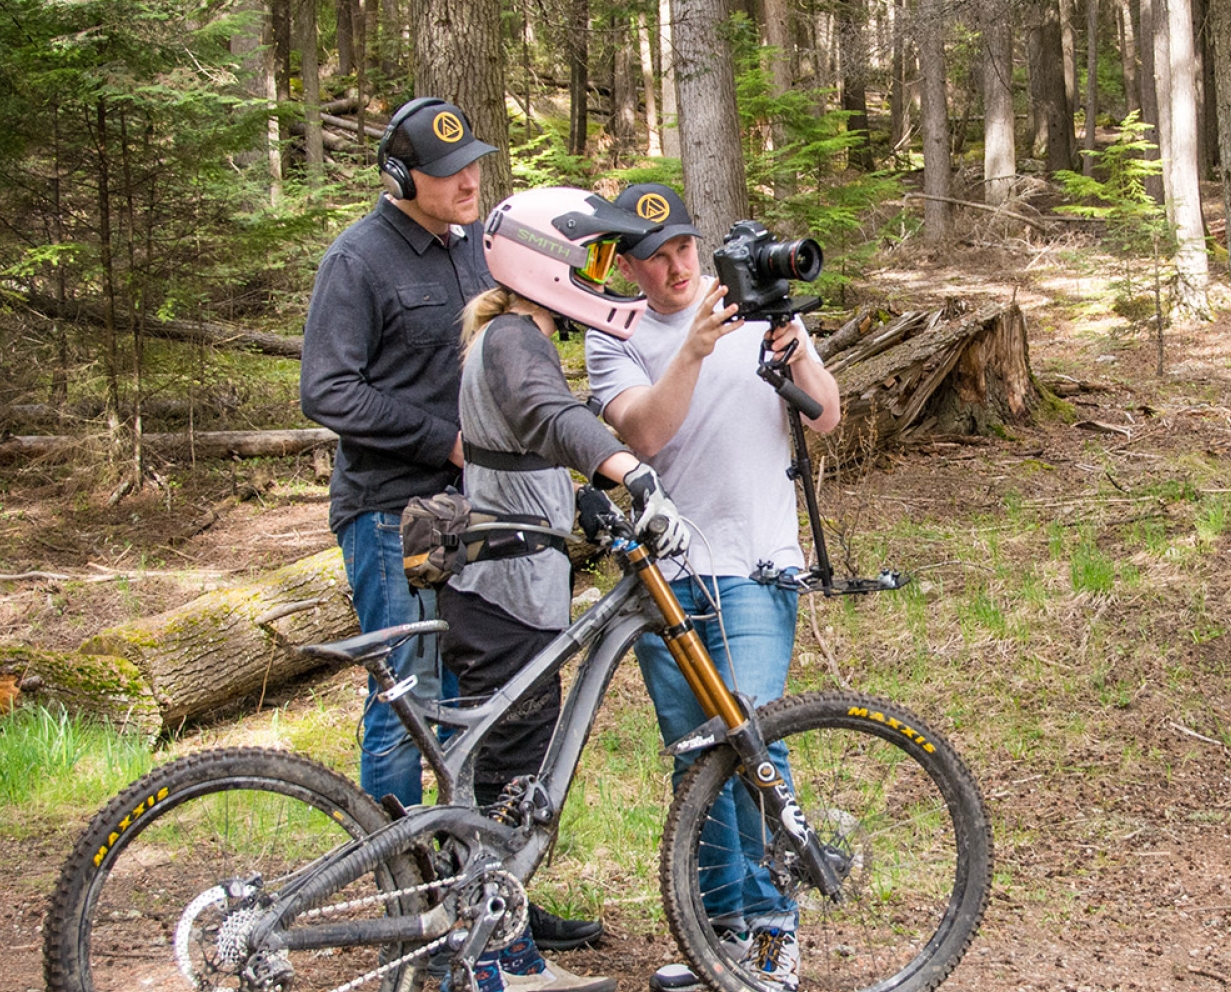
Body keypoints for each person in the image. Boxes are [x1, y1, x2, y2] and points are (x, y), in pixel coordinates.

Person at [299, 99, 600, 956]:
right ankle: (413, 910)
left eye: (475, 162)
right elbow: (327, 390)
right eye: (450, 169)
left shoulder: (482, 248)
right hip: (396, 511)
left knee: (489, 709)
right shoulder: (357, 259)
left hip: (486, 510)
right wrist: (446, 438)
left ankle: (490, 894)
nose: (471, 179)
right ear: (403, 179)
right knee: (407, 701)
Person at [583, 184, 842, 992]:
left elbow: (827, 415)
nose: (677, 266)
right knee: (695, 760)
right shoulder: (613, 336)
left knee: (753, 743)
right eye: (657, 256)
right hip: (666, 576)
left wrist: (793, 346)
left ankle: (773, 933)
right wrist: (692, 347)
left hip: (757, 561)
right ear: (627, 265)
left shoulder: (756, 308)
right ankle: (717, 932)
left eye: (685, 247)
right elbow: (645, 433)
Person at [442, 186, 674, 992]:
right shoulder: (512, 338)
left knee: (512, 764)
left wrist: (589, 504)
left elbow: (517, 447)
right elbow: (549, 418)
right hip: (503, 588)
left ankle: (486, 943)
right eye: (596, 258)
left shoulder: (514, 334)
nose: (603, 274)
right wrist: (627, 469)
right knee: (513, 772)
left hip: (513, 580)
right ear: (545, 263)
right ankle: (497, 963)